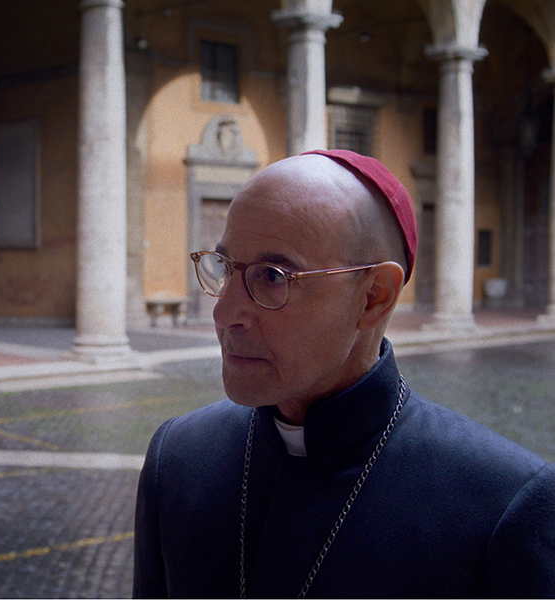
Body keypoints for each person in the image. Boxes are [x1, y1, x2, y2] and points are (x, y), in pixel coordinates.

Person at [133, 149, 555, 598]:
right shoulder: (177, 458)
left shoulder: (504, 505)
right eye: (224, 267)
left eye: (273, 277)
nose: (225, 312)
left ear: (373, 297)